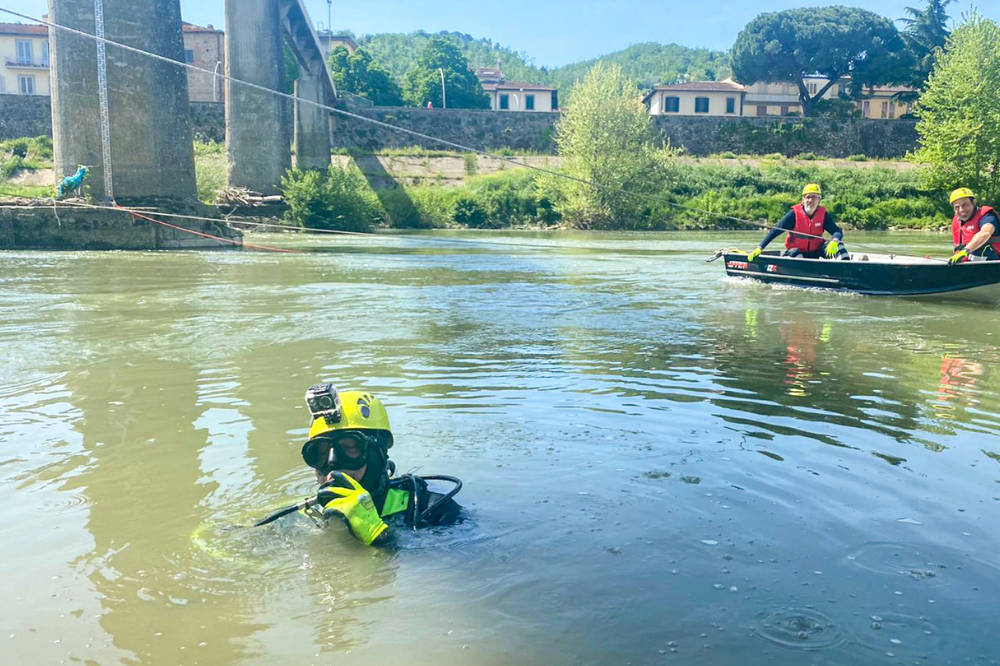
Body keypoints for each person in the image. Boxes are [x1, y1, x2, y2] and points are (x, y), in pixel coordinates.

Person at [299, 384, 462, 546]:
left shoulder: (435, 511)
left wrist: (377, 535)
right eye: (320, 454)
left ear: (378, 453)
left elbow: (463, 562)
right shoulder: (303, 516)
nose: (333, 462)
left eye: (349, 448)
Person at [747, 183, 849, 261]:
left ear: (819, 200)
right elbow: (775, 231)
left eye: (814, 197)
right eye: (808, 197)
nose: (811, 200)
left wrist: (835, 240)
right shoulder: (793, 214)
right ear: (803, 199)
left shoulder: (823, 214)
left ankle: (848, 270)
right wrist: (760, 247)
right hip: (796, 253)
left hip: (816, 252)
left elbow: (837, 231)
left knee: (839, 245)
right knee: (796, 252)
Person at [947, 187, 1000, 264]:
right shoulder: (956, 221)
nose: (961, 210)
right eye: (957, 207)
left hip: (992, 264)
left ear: (973, 202)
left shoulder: (987, 216)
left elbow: (985, 233)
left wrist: (965, 251)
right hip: (967, 265)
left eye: (965, 205)